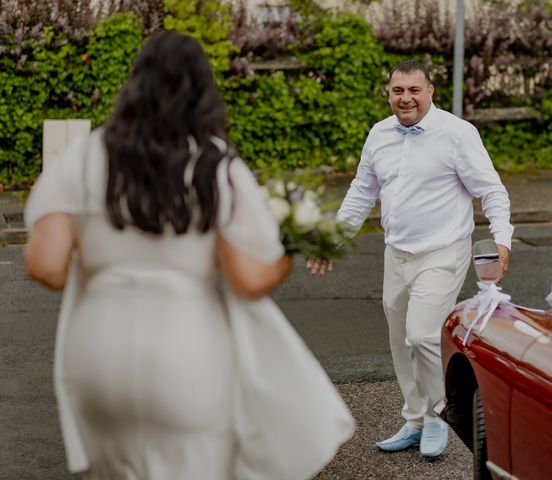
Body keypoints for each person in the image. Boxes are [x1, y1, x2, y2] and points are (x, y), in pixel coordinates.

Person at [24, 31, 352, 479]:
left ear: (134, 85)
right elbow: (250, 280)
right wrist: (287, 250)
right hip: (186, 351)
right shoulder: (216, 164)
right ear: (204, 92)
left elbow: (46, 266)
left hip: (97, 353)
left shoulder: (83, 156)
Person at [308, 60, 513, 458]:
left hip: (443, 251)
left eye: (414, 90)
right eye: (398, 90)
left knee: (422, 335)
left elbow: (492, 191)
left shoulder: (457, 134)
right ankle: (415, 419)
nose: (406, 98)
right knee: (401, 341)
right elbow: (362, 191)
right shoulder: (378, 134)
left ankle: (439, 417)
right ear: (389, 93)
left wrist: (502, 241)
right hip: (396, 252)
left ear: (431, 91)